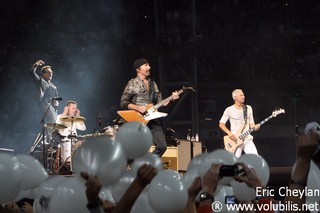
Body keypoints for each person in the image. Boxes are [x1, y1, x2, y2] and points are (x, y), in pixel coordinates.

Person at [120, 58, 179, 157]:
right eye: (146, 65)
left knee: (162, 146)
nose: (149, 67)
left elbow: (161, 103)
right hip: (138, 119)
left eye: (149, 65)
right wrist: (138, 107)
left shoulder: (153, 84)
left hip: (152, 119)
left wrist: (171, 98)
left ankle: (148, 162)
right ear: (138, 69)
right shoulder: (132, 83)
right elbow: (123, 102)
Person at [219, 89, 260, 158]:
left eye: (243, 95)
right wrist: (229, 133)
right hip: (235, 140)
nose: (243, 97)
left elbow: (252, 124)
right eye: (241, 95)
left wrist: (256, 127)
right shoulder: (229, 110)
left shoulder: (248, 108)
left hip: (247, 139)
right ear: (235, 97)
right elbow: (221, 123)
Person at [30, 60, 60, 142]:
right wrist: (36, 65)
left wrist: (55, 102)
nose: (51, 74)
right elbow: (32, 72)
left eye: (51, 73)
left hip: (51, 106)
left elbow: (57, 100)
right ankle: (49, 140)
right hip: (44, 103)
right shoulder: (41, 81)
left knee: (51, 122)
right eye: (48, 72)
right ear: (43, 74)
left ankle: (48, 142)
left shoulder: (54, 87)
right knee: (53, 118)